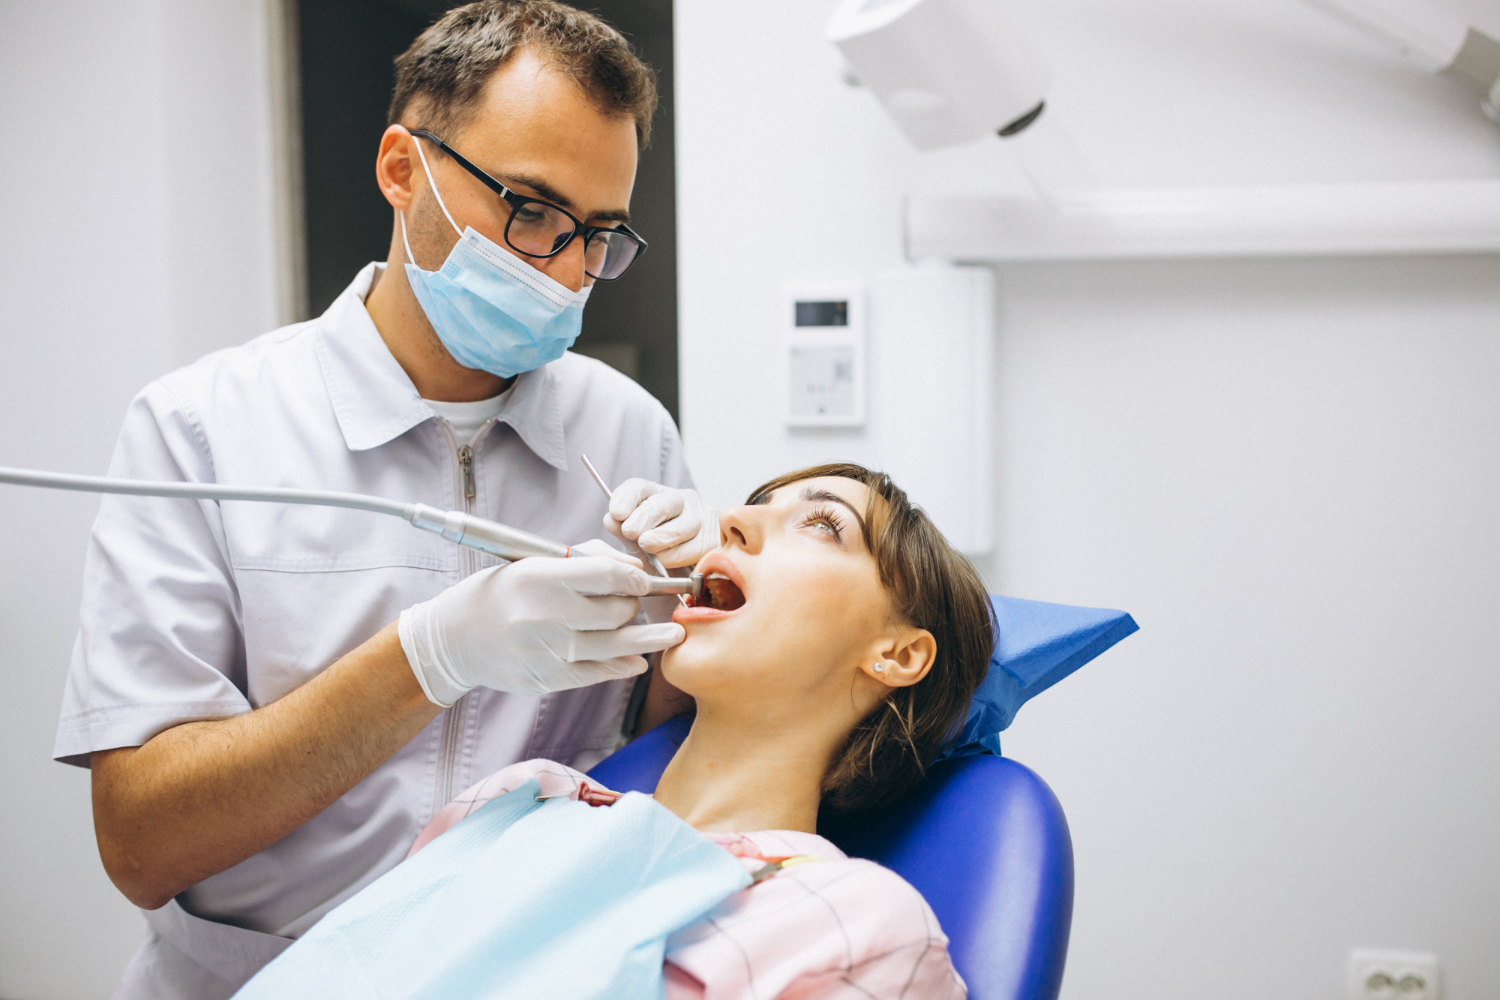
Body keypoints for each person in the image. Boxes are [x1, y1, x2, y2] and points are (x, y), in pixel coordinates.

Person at [51, 4, 722, 997]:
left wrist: (710, 588)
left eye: (599, 234)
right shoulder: (199, 430)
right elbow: (144, 842)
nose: (568, 271)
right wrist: (428, 655)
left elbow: (664, 759)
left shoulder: (629, 435)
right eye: (529, 209)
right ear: (403, 170)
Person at [239, 463, 996, 999]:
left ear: (898, 654)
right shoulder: (515, 802)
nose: (732, 519)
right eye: (753, 503)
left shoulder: (853, 922)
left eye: (822, 524)